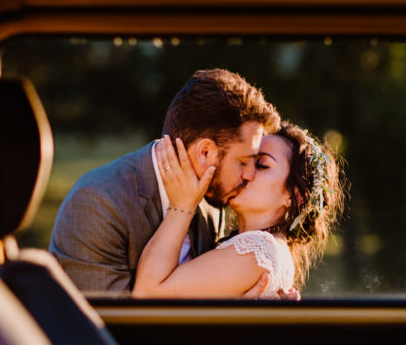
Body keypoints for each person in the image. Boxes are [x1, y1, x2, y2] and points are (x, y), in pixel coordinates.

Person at [49, 69, 280, 295]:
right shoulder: (98, 203)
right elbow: (110, 327)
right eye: (243, 161)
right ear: (205, 152)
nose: (250, 174)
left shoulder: (212, 200)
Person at [132, 122, 343, 298]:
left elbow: (146, 294)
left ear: (294, 196)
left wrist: (181, 207)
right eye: (245, 160)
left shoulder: (258, 250)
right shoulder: (264, 250)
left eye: (261, 165)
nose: (246, 173)